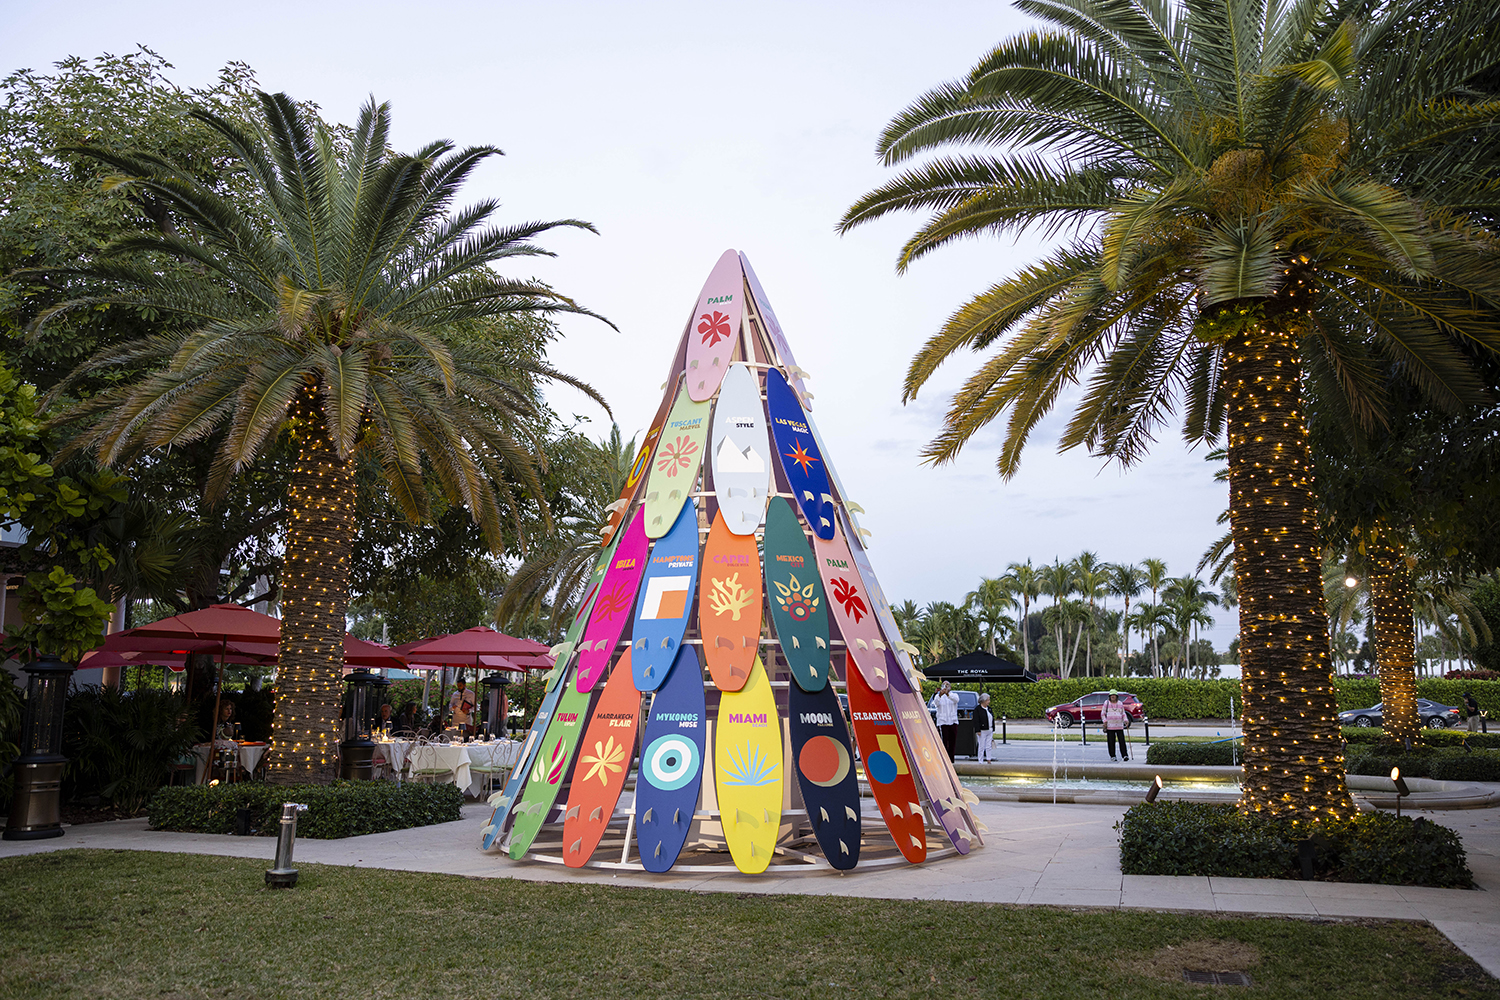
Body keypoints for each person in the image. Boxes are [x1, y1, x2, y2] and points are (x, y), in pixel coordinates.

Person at [932, 682, 960, 760]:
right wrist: (940, 695)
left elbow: (956, 700)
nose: (946, 687)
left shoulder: (954, 695)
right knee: (944, 741)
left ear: (950, 687)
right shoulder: (938, 696)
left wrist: (948, 694)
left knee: (952, 741)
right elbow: (935, 703)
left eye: (947, 685)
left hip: (953, 721)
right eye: (944, 686)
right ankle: (944, 759)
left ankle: (951, 758)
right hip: (943, 722)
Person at [1101, 690, 1131, 761]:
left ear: (1116, 696)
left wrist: (1126, 720)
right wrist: (1105, 721)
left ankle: (1125, 755)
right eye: (1111, 695)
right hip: (1110, 726)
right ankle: (1113, 756)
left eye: (1114, 695)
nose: (1113, 697)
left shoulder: (1120, 703)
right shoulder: (1106, 703)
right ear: (1109, 696)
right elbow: (1103, 713)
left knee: (1122, 741)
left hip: (1119, 725)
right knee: (1111, 742)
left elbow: (1123, 713)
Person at [974, 693, 995, 763]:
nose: (989, 701)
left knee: (988, 745)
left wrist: (993, 728)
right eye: (988, 700)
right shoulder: (977, 709)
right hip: (982, 730)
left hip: (990, 729)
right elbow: (976, 720)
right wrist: (978, 730)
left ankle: (989, 758)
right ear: (983, 701)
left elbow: (992, 718)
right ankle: (980, 760)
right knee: (981, 746)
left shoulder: (989, 709)